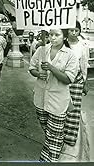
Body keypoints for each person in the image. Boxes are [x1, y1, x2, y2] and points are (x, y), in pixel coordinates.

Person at [29, 29, 79, 162]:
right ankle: (55, 148)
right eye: (51, 35)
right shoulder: (41, 50)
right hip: (40, 97)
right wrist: (38, 74)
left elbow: (68, 79)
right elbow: (32, 68)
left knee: (55, 134)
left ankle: (49, 159)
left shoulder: (70, 55)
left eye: (57, 35)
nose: (53, 38)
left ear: (64, 36)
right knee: (48, 130)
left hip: (58, 101)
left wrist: (51, 68)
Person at [64, 21, 89, 147]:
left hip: (77, 80)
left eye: (77, 30)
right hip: (63, 79)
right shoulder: (62, 43)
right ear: (67, 31)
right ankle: (61, 133)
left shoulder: (83, 46)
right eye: (71, 30)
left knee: (75, 108)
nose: (74, 33)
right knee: (62, 106)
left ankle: (70, 137)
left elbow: (84, 65)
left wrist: (84, 82)